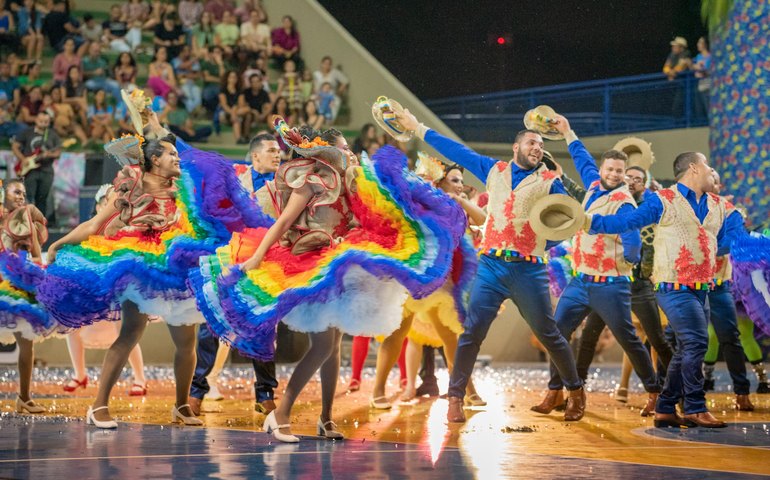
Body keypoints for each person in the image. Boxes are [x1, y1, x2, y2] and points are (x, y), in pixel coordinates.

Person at [191, 122, 466, 442]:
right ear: (326, 152)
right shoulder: (306, 181)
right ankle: (280, 415)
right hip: (311, 267)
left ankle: (325, 418)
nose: (349, 152)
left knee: (332, 348)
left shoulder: (346, 181)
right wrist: (255, 259)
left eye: (348, 148)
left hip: (336, 263)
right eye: (343, 147)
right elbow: (282, 223)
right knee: (324, 346)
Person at [394, 107, 585, 423]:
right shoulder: (494, 170)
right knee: (471, 333)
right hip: (493, 266)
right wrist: (417, 128)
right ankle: (455, 398)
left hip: (529, 268)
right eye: (531, 144)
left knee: (549, 334)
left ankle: (575, 392)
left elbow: (567, 220)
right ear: (517, 147)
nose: (537, 149)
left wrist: (542, 243)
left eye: (541, 146)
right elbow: (456, 150)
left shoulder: (550, 180)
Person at [41, 125, 205, 430]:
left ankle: (182, 406)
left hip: (174, 263)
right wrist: (59, 242)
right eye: (171, 153)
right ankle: (98, 406)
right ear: (155, 159)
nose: (177, 158)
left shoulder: (181, 187)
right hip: (137, 263)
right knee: (130, 332)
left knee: (186, 341)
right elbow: (94, 225)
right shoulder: (132, 183)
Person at [586, 147, 744, 428]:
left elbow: (735, 237)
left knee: (686, 347)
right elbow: (627, 221)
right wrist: (588, 221)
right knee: (696, 341)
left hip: (702, 288)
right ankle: (694, 405)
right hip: (672, 287)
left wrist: (723, 244)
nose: (711, 171)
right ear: (693, 168)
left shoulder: (721, 206)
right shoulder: (663, 200)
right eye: (706, 165)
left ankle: (666, 407)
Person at [531, 115, 660, 417]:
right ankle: (556, 391)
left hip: (610, 285)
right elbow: (581, 157)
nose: (614, 174)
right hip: (580, 281)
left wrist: (627, 261)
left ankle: (655, 391)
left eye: (619, 171)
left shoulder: (624, 201)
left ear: (625, 175)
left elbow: (633, 244)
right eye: (610, 169)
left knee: (628, 339)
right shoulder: (592, 184)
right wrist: (567, 132)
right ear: (603, 170)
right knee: (556, 333)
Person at [189, 133, 281, 415]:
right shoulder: (235, 177)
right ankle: (196, 390)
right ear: (255, 156)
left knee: (263, 327)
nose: (278, 155)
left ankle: (265, 393)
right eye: (272, 150)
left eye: (279, 151)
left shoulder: (285, 185)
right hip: (229, 259)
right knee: (211, 327)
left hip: (264, 264)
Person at [575, 165, 673, 402]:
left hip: (640, 284)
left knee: (656, 339)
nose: (632, 181)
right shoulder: (612, 202)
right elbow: (580, 194)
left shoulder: (653, 210)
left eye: (638, 179)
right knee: (589, 335)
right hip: (611, 281)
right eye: (628, 176)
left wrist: (653, 271)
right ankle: (575, 390)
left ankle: (675, 390)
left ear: (645, 184)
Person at [63, 185, 147, 396]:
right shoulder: (90, 228)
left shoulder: (125, 227)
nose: (108, 205)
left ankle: (140, 379)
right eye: (104, 201)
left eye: (113, 201)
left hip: (118, 286)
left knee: (125, 329)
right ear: (99, 204)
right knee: (72, 326)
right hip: (93, 285)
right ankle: (79, 374)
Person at [699, 171, 754, 411]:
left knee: (730, 338)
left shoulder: (729, 211)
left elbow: (736, 240)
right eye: (707, 175)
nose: (711, 181)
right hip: (691, 285)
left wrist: (710, 249)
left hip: (720, 286)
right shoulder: (689, 207)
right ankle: (683, 395)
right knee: (684, 340)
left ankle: (742, 392)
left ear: (719, 185)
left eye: (715, 178)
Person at [0, 179, 52, 415]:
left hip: (19, 288)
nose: (21, 196)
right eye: (16, 192)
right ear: (4, 195)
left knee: (27, 345)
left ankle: (24, 398)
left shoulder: (26, 219)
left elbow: (36, 255)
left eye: (23, 193)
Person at [11, 112, 62, 218]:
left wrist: (49, 154)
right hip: (30, 170)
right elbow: (15, 146)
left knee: (42, 198)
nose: (43, 123)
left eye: (46, 121)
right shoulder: (27, 132)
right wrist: (23, 159)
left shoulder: (52, 134)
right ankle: (26, 220)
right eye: (41, 121)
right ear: (36, 120)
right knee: (28, 196)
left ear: (49, 122)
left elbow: (58, 153)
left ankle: (40, 222)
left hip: (46, 170)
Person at [217, 70, 249, 143]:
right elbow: (224, 105)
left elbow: (241, 104)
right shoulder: (223, 90)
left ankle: (243, 137)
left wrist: (234, 110)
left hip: (237, 111)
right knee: (236, 119)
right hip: (226, 112)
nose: (233, 79)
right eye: (231, 77)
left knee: (247, 109)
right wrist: (232, 113)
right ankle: (238, 139)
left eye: (235, 77)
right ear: (227, 78)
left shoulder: (239, 90)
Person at [313, 56, 348, 122]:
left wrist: (339, 91)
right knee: (315, 100)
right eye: (325, 63)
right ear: (321, 64)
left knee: (336, 101)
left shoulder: (334, 72)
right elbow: (315, 86)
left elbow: (345, 81)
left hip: (331, 95)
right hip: (320, 94)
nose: (327, 65)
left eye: (329, 64)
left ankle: (330, 121)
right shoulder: (316, 74)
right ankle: (321, 119)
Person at [663, 36, 691, 117]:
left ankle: (681, 123)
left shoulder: (686, 54)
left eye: (676, 46)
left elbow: (680, 67)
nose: (673, 47)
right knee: (672, 104)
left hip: (684, 84)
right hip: (675, 84)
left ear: (681, 47)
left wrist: (671, 72)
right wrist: (670, 72)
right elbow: (665, 67)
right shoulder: (672, 55)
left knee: (679, 105)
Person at [171, 45, 202, 113]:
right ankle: (191, 113)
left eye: (189, 50)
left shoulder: (193, 61)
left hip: (192, 84)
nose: (188, 52)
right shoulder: (175, 61)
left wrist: (185, 75)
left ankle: (194, 112)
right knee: (188, 95)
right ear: (181, 52)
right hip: (181, 85)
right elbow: (181, 68)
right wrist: (195, 59)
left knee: (197, 93)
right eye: (185, 51)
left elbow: (198, 75)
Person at [691, 36, 712, 119]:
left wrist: (696, 67)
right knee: (700, 107)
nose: (698, 44)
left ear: (705, 45)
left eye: (700, 42)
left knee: (708, 107)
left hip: (708, 84)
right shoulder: (698, 56)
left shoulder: (710, 56)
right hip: (700, 84)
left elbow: (705, 69)